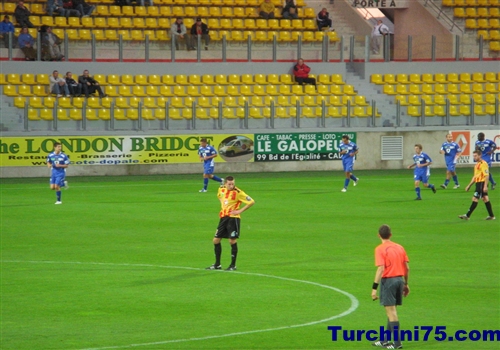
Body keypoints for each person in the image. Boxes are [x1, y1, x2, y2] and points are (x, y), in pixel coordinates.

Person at [371, 224, 409, 350]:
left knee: (391, 312)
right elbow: (407, 267)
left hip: (389, 281)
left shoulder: (380, 249)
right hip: (399, 280)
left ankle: (397, 343)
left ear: (379, 235)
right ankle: (384, 340)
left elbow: (381, 268)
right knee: (391, 309)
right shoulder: (399, 247)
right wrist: (406, 284)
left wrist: (374, 288)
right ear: (390, 235)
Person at [206, 176, 255, 271]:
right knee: (216, 240)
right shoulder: (221, 189)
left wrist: (239, 211)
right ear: (225, 184)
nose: (231, 185)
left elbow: (251, 202)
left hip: (233, 218)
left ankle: (233, 265)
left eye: (233, 184)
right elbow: (220, 196)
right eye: (229, 184)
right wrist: (223, 206)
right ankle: (217, 264)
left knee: (232, 241)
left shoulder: (238, 192)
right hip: (223, 217)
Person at [459, 150, 495, 221]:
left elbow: (487, 175)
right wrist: (469, 185)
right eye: (473, 156)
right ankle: (491, 216)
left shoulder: (483, 164)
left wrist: (485, 186)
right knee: (485, 199)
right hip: (478, 184)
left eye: (475, 156)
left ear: (480, 155)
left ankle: (467, 215)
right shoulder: (476, 165)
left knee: (475, 199)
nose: (474, 157)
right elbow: (475, 176)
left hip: (482, 183)